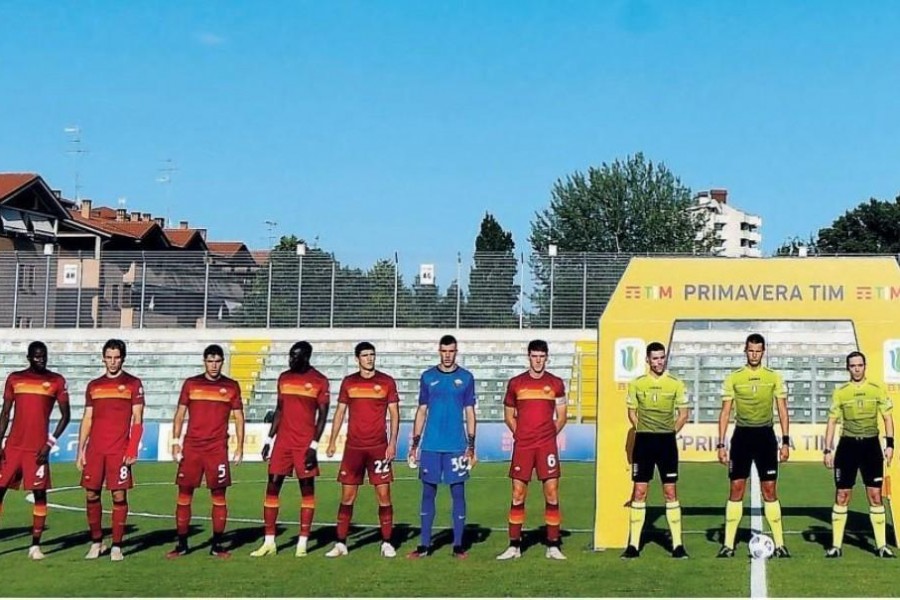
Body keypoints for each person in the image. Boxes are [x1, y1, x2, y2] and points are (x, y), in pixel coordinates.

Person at [250, 341, 330, 558]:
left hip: (304, 443)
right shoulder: (284, 378)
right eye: (290, 355)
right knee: (272, 486)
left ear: (306, 357)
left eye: (295, 356)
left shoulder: (319, 381)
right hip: (283, 442)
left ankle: (302, 543)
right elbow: (279, 410)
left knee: (307, 489)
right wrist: (269, 440)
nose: (291, 359)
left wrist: (314, 446)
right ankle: (269, 542)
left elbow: (322, 416)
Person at [716, 333, 791, 558]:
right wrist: (721, 443)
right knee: (736, 489)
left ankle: (780, 544)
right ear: (745, 351)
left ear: (763, 352)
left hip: (766, 437)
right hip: (742, 438)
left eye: (758, 351)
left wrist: (785, 441)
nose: (754, 354)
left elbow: (783, 411)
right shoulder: (734, 378)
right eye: (750, 350)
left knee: (770, 490)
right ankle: (728, 545)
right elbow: (725, 412)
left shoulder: (774, 377)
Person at [167, 344, 245, 559]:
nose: (213, 365)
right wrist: (175, 441)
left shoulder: (231, 386)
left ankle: (217, 545)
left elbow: (238, 417)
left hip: (217, 449)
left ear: (222, 362)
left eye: (217, 361)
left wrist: (240, 446)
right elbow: (180, 414)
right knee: (184, 495)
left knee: (219, 496)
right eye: (210, 361)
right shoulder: (192, 384)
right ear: (204, 362)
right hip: (192, 447)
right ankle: (182, 545)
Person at [324, 341, 400, 559]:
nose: (370, 358)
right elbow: (340, 412)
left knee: (384, 495)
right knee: (347, 496)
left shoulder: (386, 382)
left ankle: (386, 542)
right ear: (357, 358)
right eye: (365, 355)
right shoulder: (349, 383)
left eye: (372, 355)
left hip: (378, 448)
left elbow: (394, 414)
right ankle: (340, 543)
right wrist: (332, 440)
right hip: (353, 448)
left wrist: (392, 442)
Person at [496, 339, 568, 561]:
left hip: (546, 445)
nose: (538, 360)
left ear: (547, 357)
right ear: (529, 356)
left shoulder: (555, 383)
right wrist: (522, 434)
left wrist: (547, 435)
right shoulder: (516, 383)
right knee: (518, 494)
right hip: (523, 445)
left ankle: (553, 544)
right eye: (534, 356)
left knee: (552, 492)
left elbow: (562, 416)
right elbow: (508, 415)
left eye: (542, 356)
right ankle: (514, 546)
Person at [407, 334, 477, 560]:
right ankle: (424, 545)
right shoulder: (428, 377)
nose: (448, 355)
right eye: (444, 351)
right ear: (439, 351)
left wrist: (471, 445)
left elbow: (470, 412)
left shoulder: (466, 378)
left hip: (456, 446)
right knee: (428, 493)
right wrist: (415, 443)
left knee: (458, 493)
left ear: (456, 352)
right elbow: (421, 410)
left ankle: (458, 545)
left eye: (452, 351)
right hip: (431, 445)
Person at [0, 341, 71, 560]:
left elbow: (65, 416)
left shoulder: (56, 381)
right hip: (12, 447)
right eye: (37, 356)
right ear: (29, 357)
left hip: (37, 450)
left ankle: (35, 546)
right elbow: (5, 414)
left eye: (44, 356)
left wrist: (49, 444)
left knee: (39, 494)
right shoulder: (15, 379)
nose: (41, 359)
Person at [76, 339, 145, 562]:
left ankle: (117, 545)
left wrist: (132, 448)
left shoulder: (133, 384)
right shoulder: (94, 386)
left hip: (119, 450)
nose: (113, 361)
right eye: (109, 357)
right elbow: (87, 418)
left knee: (118, 494)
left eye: (117, 357)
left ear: (122, 358)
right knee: (91, 493)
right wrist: (81, 450)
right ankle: (97, 542)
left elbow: (137, 419)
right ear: (103, 358)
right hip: (95, 449)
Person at [621, 342, 690, 560]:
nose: (659, 362)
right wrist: (642, 428)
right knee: (639, 492)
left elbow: (683, 414)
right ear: (648, 360)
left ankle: (678, 545)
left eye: (662, 358)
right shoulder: (637, 384)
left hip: (666, 444)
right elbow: (631, 412)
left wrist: (669, 432)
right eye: (655, 358)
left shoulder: (675, 384)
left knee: (670, 492)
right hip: (644, 442)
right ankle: (633, 545)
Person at [823, 351, 894, 558]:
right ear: (848, 368)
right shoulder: (841, 392)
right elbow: (832, 421)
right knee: (842, 495)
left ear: (865, 366)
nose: (856, 369)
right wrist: (828, 449)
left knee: (875, 495)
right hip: (847, 448)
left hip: (871, 447)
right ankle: (836, 546)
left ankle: (881, 546)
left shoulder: (876, 390)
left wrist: (890, 445)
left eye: (860, 365)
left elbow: (888, 418)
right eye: (853, 366)